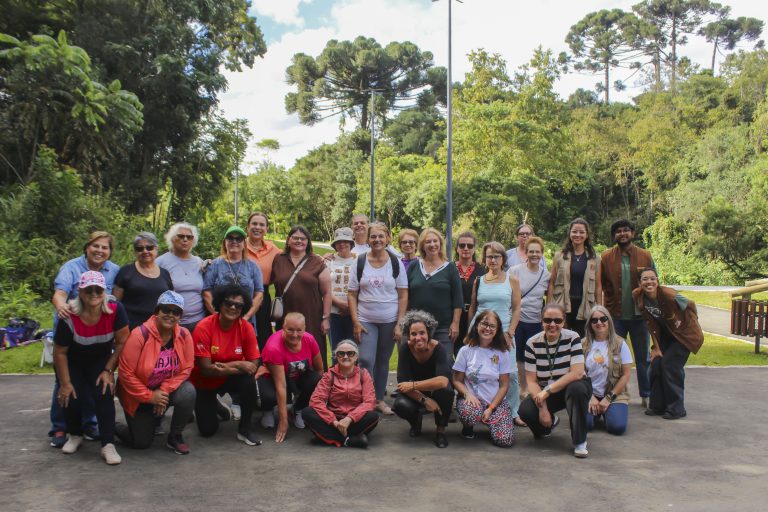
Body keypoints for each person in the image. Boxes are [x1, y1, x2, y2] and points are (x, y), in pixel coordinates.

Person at [49, 231, 120, 448]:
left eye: (105, 247)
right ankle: (60, 426)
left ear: (109, 251)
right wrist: (62, 307)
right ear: (86, 248)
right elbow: (60, 293)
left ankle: (89, 424)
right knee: (65, 380)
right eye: (95, 246)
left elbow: (118, 298)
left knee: (93, 382)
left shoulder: (114, 270)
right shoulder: (72, 267)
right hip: (71, 332)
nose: (100, 251)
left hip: (98, 335)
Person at [53, 271, 129, 465]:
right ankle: (75, 434)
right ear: (80, 291)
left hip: (100, 360)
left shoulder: (115, 308)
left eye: (98, 289)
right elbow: (59, 352)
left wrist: (109, 371)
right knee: (71, 394)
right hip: (73, 360)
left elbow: (122, 343)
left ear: (104, 291)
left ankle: (108, 444)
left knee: (104, 394)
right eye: (89, 289)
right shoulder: (69, 314)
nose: (94, 293)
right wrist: (65, 383)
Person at [116, 291, 196, 454]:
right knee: (141, 443)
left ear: (180, 316)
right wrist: (150, 396)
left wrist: (163, 390)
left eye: (176, 312)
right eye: (166, 310)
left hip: (163, 391)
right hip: (137, 394)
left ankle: (175, 436)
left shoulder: (183, 334)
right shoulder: (140, 334)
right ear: (157, 311)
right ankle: (112, 425)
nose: (170, 315)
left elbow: (187, 368)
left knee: (188, 391)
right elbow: (125, 374)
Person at [190, 284, 265, 446]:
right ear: (219, 304)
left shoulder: (246, 328)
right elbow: (206, 369)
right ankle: (216, 406)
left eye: (238, 305)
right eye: (228, 303)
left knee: (248, 381)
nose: (233, 307)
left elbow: (252, 365)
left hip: (229, 377)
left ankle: (245, 428)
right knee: (207, 431)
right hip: (205, 381)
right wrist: (239, 364)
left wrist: (226, 367)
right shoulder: (203, 327)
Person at [348, 222, 408, 415]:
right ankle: (365, 399)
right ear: (368, 239)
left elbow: (403, 295)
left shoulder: (396, 262)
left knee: (383, 361)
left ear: (387, 238)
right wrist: (356, 321)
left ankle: (379, 401)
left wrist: (399, 323)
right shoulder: (359, 262)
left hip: (389, 320)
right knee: (365, 359)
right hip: (366, 319)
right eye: (373, 236)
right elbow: (351, 294)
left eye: (381, 236)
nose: (377, 240)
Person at [518, 304, 591, 458]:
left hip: (571, 386)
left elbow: (577, 373)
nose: (552, 325)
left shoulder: (573, 338)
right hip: (546, 391)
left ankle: (579, 441)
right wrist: (543, 408)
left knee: (577, 389)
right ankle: (547, 427)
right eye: (548, 320)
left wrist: (547, 391)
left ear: (564, 322)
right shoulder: (532, 343)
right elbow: (531, 381)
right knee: (525, 410)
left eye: (557, 320)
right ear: (541, 322)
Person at [633, 268, 704, 420]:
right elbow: (650, 323)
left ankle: (676, 409)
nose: (649, 282)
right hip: (667, 336)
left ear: (657, 281)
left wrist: (690, 323)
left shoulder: (669, 295)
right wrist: (656, 348)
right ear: (640, 283)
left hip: (685, 335)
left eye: (652, 278)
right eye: (645, 279)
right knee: (657, 364)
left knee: (670, 365)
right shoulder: (639, 296)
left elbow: (690, 304)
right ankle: (657, 406)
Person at [467, 241, 524, 426]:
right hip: (480, 331)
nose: (492, 260)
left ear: (503, 259)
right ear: (484, 259)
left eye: (496, 256)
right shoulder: (479, 280)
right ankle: (477, 408)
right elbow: (473, 308)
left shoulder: (511, 279)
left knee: (511, 374)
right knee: (477, 371)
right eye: (489, 256)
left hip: (504, 332)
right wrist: (470, 332)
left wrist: (510, 333)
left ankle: (513, 412)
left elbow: (516, 309)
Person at [600, 218, 655, 407]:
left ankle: (646, 395)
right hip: (615, 316)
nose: (622, 234)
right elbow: (600, 284)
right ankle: (614, 395)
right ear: (614, 236)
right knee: (614, 358)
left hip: (640, 316)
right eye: (618, 231)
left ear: (632, 233)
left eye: (625, 230)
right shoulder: (606, 257)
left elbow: (653, 283)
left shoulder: (645, 255)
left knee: (643, 358)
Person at [271, 225, 332, 369]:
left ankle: (316, 387)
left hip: (312, 316)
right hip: (286, 316)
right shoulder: (278, 259)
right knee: (286, 351)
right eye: (295, 237)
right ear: (288, 240)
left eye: (303, 238)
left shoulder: (316, 261)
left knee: (314, 353)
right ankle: (287, 386)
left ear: (308, 242)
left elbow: (327, 293)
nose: (299, 241)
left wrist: (326, 318)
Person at [452, 310, 515, 448]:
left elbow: (504, 385)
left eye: (492, 326)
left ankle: (494, 423)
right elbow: (457, 380)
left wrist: (491, 408)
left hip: (494, 402)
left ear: (497, 330)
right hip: (472, 401)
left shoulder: (502, 353)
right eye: (484, 324)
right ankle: (468, 427)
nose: (487, 328)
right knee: (470, 414)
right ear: (476, 326)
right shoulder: (465, 350)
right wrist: (467, 394)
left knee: (505, 441)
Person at [259, 312, 324, 443]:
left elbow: (320, 369)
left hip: (297, 376)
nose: (295, 335)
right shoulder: (274, 347)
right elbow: (281, 385)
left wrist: (313, 402)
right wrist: (283, 421)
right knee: (269, 396)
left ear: (305, 328)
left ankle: (298, 408)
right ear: (283, 327)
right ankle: (267, 410)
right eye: (290, 330)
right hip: (273, 378)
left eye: (299, 330)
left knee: (315, 379)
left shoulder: (309, 340)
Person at [393, 311, 453, 448]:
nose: (418, 337)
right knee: (400, 405)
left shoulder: (439, 348)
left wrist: (413, 385)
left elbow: (443, 381)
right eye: (413, 334)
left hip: (436, 390)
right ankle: (415, 422)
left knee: (446, 392)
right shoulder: (405, 349)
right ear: (408, 335)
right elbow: (402, 383)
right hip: (417, 394)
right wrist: (425, 400)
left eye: (422, 333)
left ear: (429, 333)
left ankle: (441, 431)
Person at [303, 340, 379, 448]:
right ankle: (348, 440)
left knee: (373, 416)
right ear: (336, 356)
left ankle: (325, 436)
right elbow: (316, 400)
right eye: (341, 353)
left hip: (354, 420)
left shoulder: (364, 374)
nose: (345, 356)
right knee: (307, 412)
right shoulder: (329, 375)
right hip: (333, 419)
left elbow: (369, 402)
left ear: (356, 356)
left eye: (350, 353)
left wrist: (349, 418)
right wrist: (333, 421)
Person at [407, 227, 463, 359]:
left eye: (435, 241)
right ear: (422, 246)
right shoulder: (414, 266)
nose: (432, 245)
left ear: (440, 244)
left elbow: (458, 299)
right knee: (418, 364)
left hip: (442, 327)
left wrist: (455, 324)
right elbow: (406, 296)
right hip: (417, 328)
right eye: (428, 242)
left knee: (444, 363)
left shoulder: (450, 268)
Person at [202, 226, 264, 336]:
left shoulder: (253, 266)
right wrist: (217, 315)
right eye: (230, 238)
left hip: (246, 321)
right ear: (224, 243)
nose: (234, 241)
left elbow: (259, 294)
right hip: (219, 322)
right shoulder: (215, 265)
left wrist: (246, 317)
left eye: (238, 239)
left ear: (244, 244)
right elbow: (207, 292)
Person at [547, 218, 602, 337]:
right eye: (574, 231)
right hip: (563, 305)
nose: (578, 235)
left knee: (583, 341)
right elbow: (551, 283)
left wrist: (599, 308)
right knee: (561, 339)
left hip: (585, 305)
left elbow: (598, 285)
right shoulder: (559, 256)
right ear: (570, 233)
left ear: (587, 235)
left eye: (581, 232)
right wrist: (549, 306)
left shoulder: (595, 258)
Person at [583, 305, 632, 435]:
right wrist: (590, 396)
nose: (599, 323)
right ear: (590, 324)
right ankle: (597, 413)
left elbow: (626, 375)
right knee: (585, 425)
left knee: (617, 428)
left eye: (603, 319)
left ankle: (608, 411)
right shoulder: (582, 344)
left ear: (609, 321)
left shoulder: (620, 344)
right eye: (594, 320)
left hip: (614, 394)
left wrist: (608, 398)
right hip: (590, 394)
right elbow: (578, 374)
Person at [511, 236, 551, 396]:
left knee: (535, 355)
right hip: (518, 319)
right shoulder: (515, 271)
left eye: (537, 251)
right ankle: (523, 387)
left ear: (541, 254)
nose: (534, 254)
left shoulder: (546, 275)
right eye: (531, 251)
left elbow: (550, 297)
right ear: (525, 253)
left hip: (536, 321)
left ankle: (535, 385)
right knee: (520, 355)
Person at [113, 232, 174, 330]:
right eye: (139, 248)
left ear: (156, 249)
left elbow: (171, 302)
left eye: (149, 247)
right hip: (130, 329)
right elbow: (115, 304)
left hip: (158, 329)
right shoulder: (126, 271)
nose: (145, 251)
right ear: (135, 252)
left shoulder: (165, 273)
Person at [156, 223, 205, 332]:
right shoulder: (161, 262)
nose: (185, 239)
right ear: (172, 238)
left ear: (193, 241)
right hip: (171, 323)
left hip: (199, 322)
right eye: (181, 236)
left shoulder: (199, 262)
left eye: (189, 237)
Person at [245, 212, 281, 350]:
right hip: (240, 295)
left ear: (266, 229)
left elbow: (295, 255)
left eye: (262, 225)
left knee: (263, 334)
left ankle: (264, 367)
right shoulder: (239, 246)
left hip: (263, 296)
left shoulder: (273, 250)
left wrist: (321, 257)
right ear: (248, 227)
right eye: (254, 224)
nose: (257, 227)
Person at [454, 231, 486, 357]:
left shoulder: (482, 270)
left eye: (470, 245)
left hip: (475, 317)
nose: (466, 248)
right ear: (457, 248)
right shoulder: (449, 269)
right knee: (454, 352)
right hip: (454, 317)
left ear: (474, 249)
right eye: (462, 245)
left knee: (473, 352)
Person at [325, 227, 356, 354]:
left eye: (345, 241)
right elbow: (323, 287)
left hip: (354, 313)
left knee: (353, 350)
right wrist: (339, 303)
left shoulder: (359, 260)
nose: (342, 244)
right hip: (333, 312)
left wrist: (350, 307)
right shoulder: (328, 261)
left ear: (351, 243)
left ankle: (354, 375)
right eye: (338, 242)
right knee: (336, 351)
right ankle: (335, 375)